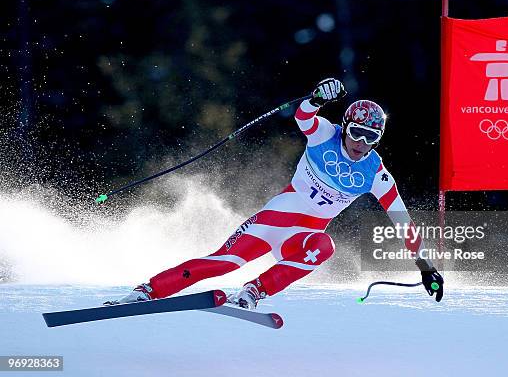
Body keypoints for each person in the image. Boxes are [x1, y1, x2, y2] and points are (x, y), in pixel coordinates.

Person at [106, 78, 444, 308]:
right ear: (346, 126)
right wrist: (317, 98)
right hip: (273, 221)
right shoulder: (325, 134)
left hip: (304, 236)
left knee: (324, 246)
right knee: (223, 263)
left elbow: (403, 224)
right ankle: (146, 291)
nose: (361, 144)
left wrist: (424, 265)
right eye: (357, 133)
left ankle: (254, 291)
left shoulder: (377, 175)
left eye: (372, 137)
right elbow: (304, 116)